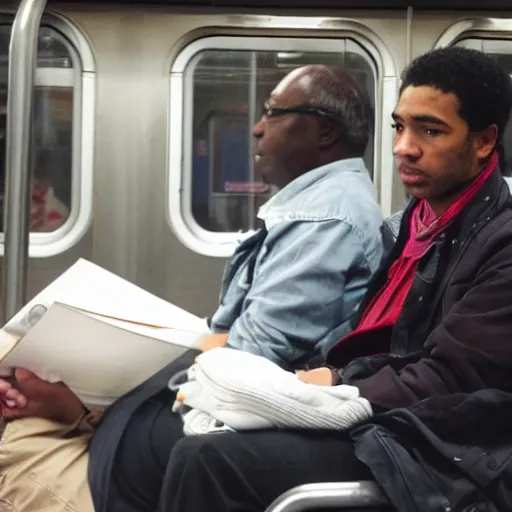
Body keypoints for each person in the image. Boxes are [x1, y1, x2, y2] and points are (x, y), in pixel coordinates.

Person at [102, 46, 512, 511]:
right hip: (383, 418)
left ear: (483, 142)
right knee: (171, 425)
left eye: (431, 130)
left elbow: (448, 376)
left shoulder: (499, 244)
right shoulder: (410, 226)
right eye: (400, 126)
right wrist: (316, 381)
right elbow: (377, 345)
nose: (404, 147)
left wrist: (332, 385)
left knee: (208, 459)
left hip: (439, 446)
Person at [0, 64, 383, 511]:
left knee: (19, 445)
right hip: (185, 414)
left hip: (220, 421)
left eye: (273, 114)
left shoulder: (328, 219)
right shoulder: (314, 208)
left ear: (324, 131)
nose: (258, 129)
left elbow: (252, 351)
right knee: (22, 375)